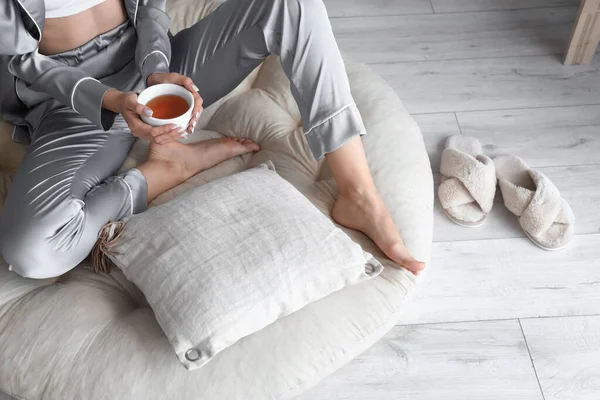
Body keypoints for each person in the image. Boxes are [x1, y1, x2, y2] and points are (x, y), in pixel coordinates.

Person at [0, 0, 425, 279]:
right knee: (32, 251)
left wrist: (157, 69)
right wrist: (110, 99)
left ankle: (358, 192)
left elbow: (149, 6)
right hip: (70, 99)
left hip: (145, 60)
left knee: (291, 4)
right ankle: (157, 174)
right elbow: (24, 62)